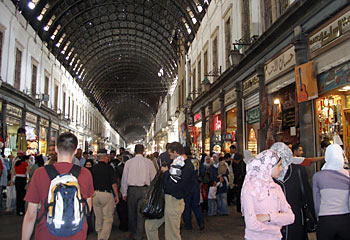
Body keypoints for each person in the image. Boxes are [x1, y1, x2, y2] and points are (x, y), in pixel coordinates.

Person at [22, 132, 94, 239]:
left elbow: (31, 214)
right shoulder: (85, 174)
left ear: (56, 149)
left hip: (46, 233)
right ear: (75, 151)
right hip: (76, 233)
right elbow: (88, 207)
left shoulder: (40, 173)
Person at [145, 142, 194, 240]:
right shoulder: (179, 163)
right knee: (150, 226)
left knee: (172, 235)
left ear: (175, 152)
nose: (170, 157)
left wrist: (166, 172)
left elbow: (173, 186)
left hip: (174, 202)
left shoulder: (185, 166)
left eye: (170, 154)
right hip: (167, 201)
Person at [241, 149, 295, 240]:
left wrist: (268, 217)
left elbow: (291, 217)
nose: (281, 169)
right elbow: (251, 224)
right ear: (268, 166)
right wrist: (275, 228)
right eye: (279, 165)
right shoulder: (250, 188)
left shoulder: (276, 188)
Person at [271, 142, 316, 240]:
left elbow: (307, 195)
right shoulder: (268, 174)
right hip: (275, 219)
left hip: (296, 218)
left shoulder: (298, 171)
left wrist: (313, 215)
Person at [313, 144, 350, 240]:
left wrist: (318, 219)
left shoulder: (318, 176)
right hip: (345, 219)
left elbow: (316, 201)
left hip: (325, 220)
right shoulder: (347, 175)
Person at [121, 144, 156, 240]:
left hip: (132, 190)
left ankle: (132, 233)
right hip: (145, 190)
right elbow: (154, 178)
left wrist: (124, 193)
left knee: (131, 212)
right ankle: (139, 235)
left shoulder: (128, 163)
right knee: (141, 213)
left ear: (134, 151)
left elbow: (124, 178)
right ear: (143, 151)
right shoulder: (148, 162)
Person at [91, 148, 119, 240]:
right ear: (105, 157)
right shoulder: (109, 168)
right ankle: (103, 238)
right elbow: (113, 184)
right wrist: (116, 195)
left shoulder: (93, 168)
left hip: (94, 194)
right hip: (106, 195)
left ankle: (99, 236)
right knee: (108, 218)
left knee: (98, 217)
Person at [182, 147, 204, 230]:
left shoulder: (183, 162)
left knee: (186, 206)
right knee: (196, 205)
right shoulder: (197, 161)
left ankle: (188, 225)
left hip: (186, 186)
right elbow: (202, 171)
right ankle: (200, 223)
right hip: (195, 185)